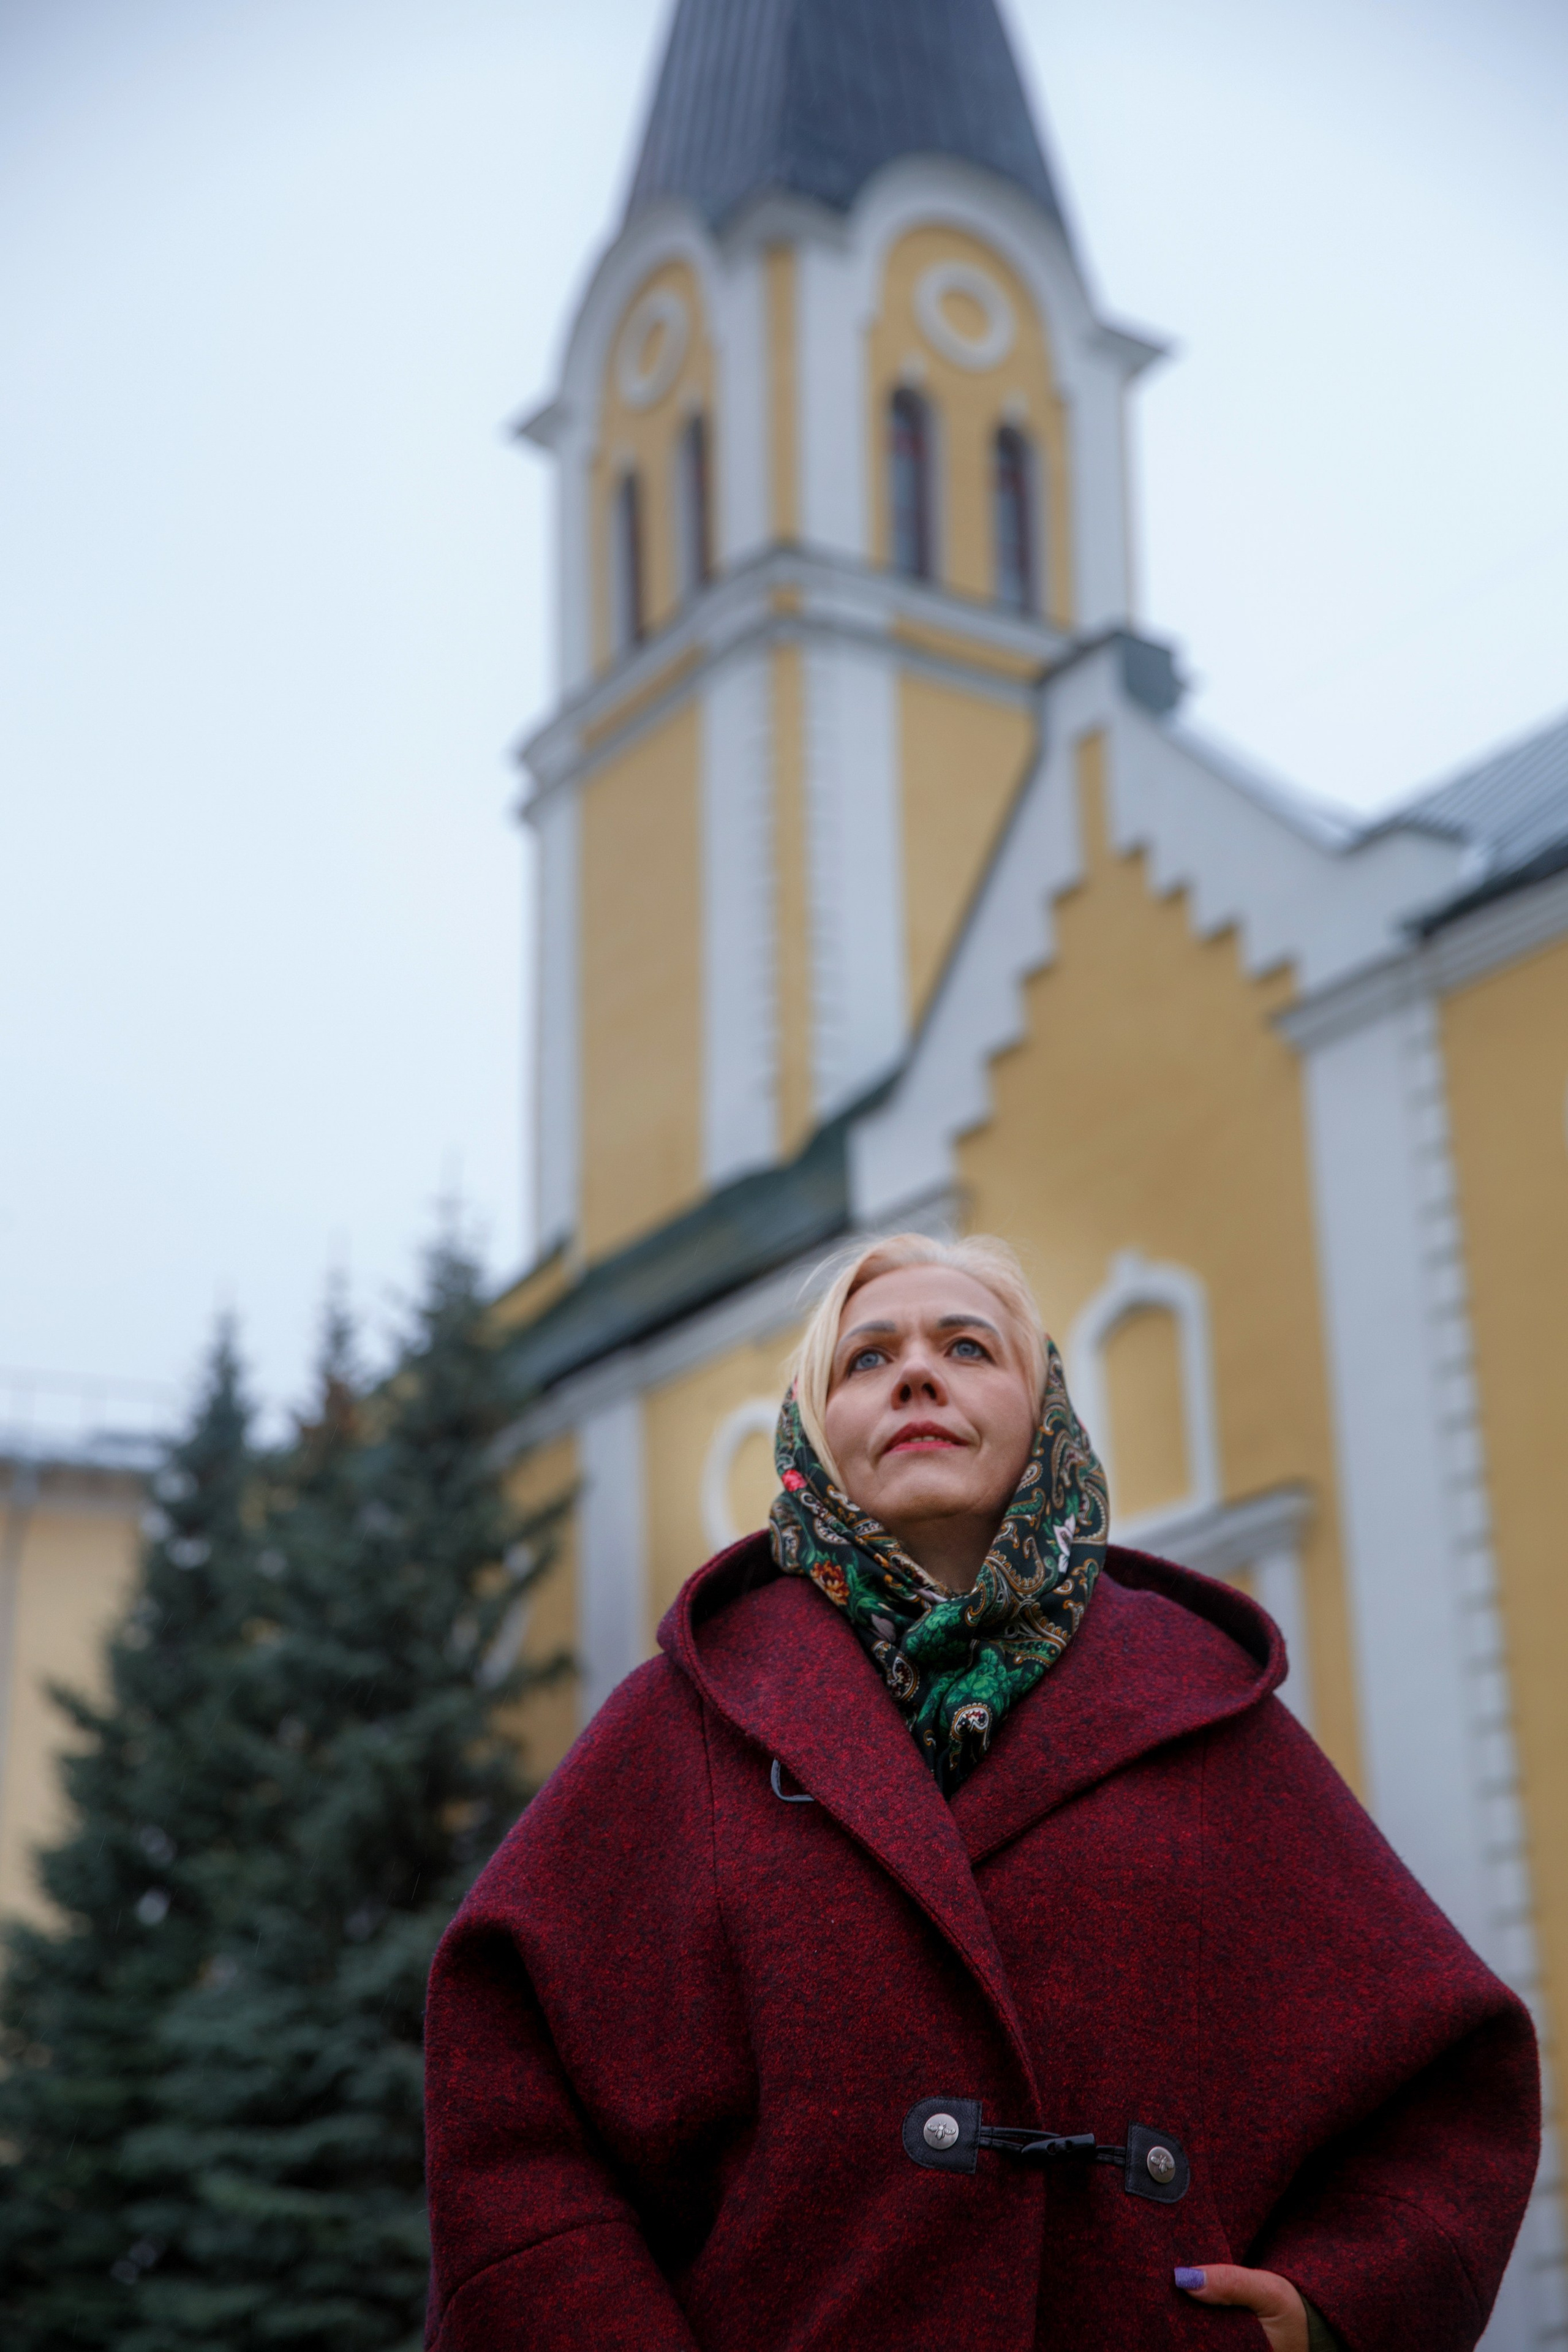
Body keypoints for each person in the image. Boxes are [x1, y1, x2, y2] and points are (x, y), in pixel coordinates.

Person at [423, 1232, 1539, 2350]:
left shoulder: (1198, 1703)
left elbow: (1449, 2077)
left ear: (1043, 1409)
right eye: (866, 1359)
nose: (916, 1374)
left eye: (967, 1347)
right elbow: (512, 2102)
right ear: (814, 1431)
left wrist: (1331, 2311)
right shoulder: (686, 1722)